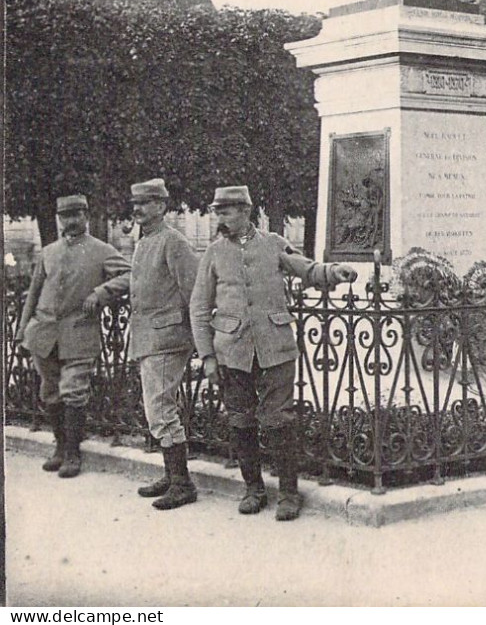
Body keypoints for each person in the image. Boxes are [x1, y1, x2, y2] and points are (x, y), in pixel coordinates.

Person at [190, 185, 357, 521]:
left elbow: (306, 268)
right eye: (218, 212)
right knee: (240, 419)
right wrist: (207, 356)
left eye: (226, 211)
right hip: (232, 351)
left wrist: (333, 271)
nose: (220, 218)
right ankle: (253, 489)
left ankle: (289, 494)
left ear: (245, 211)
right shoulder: (214, 253)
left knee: (279, 420)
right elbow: (198, 306)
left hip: (275, 346)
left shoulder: (273, 243)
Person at [15, 194, 131, 478]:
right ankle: (59, 446)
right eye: (65, 216)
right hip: (44, 333)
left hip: (79, 331)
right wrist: (21, 331)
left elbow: (130, 275)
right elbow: (34, 294)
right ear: (59, 219)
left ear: (87, 216)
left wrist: (100, 293)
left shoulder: (102, 250)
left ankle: (72, 453)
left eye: (76, 214)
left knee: (73, 390)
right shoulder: (49, 252)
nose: (71, 221)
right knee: (49, 391)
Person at [128, 178, 199, 510]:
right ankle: (172, 476)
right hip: (149, 336)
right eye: (135, 204)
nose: (138, 209)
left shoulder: (174, 242)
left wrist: (196, 337)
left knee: (159, 408)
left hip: (168, 338)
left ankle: (182, 484)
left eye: (145, 203)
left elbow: (194, 292)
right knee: (156, 407)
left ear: (161, 205)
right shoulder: (143, 242)